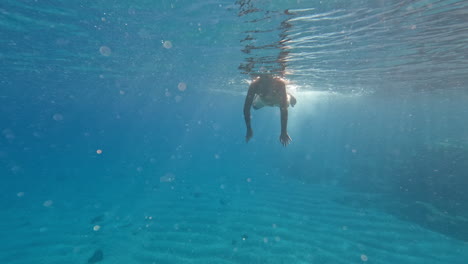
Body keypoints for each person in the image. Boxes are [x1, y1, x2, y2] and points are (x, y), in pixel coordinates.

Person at [243, 74, 297, 146]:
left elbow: (283, 109)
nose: (267, 78)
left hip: (278, 99)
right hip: (263, 100)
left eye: (268, 76)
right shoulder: (254, 85)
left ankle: (288, 94)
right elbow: (246, 108)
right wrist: (249, 128)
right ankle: (257, 96)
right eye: (264, 76)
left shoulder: (280, 83)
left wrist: (284, 131)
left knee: (288, 104)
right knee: (254, 107)